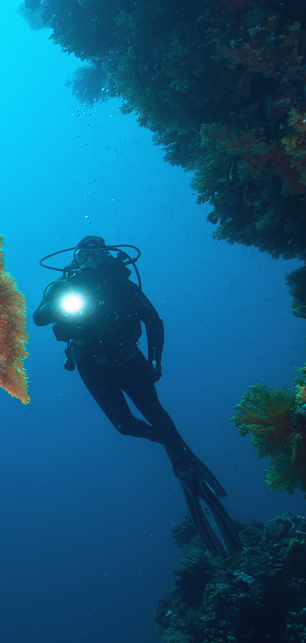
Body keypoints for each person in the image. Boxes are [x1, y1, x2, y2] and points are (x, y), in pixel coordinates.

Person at [33, 235, 242, 555]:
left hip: (129, 359)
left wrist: (156, 360)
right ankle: (172, 444)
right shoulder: (62, 286)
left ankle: (181, 461)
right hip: (91, 366)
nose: (91, 261)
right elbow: (39, 318)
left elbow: (154, 322)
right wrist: (57, 304)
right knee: (124, 425)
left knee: (155, 410)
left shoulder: (123, 286)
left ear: (107, 257)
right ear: (75, 258)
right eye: (84, 255)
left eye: (97, 255)